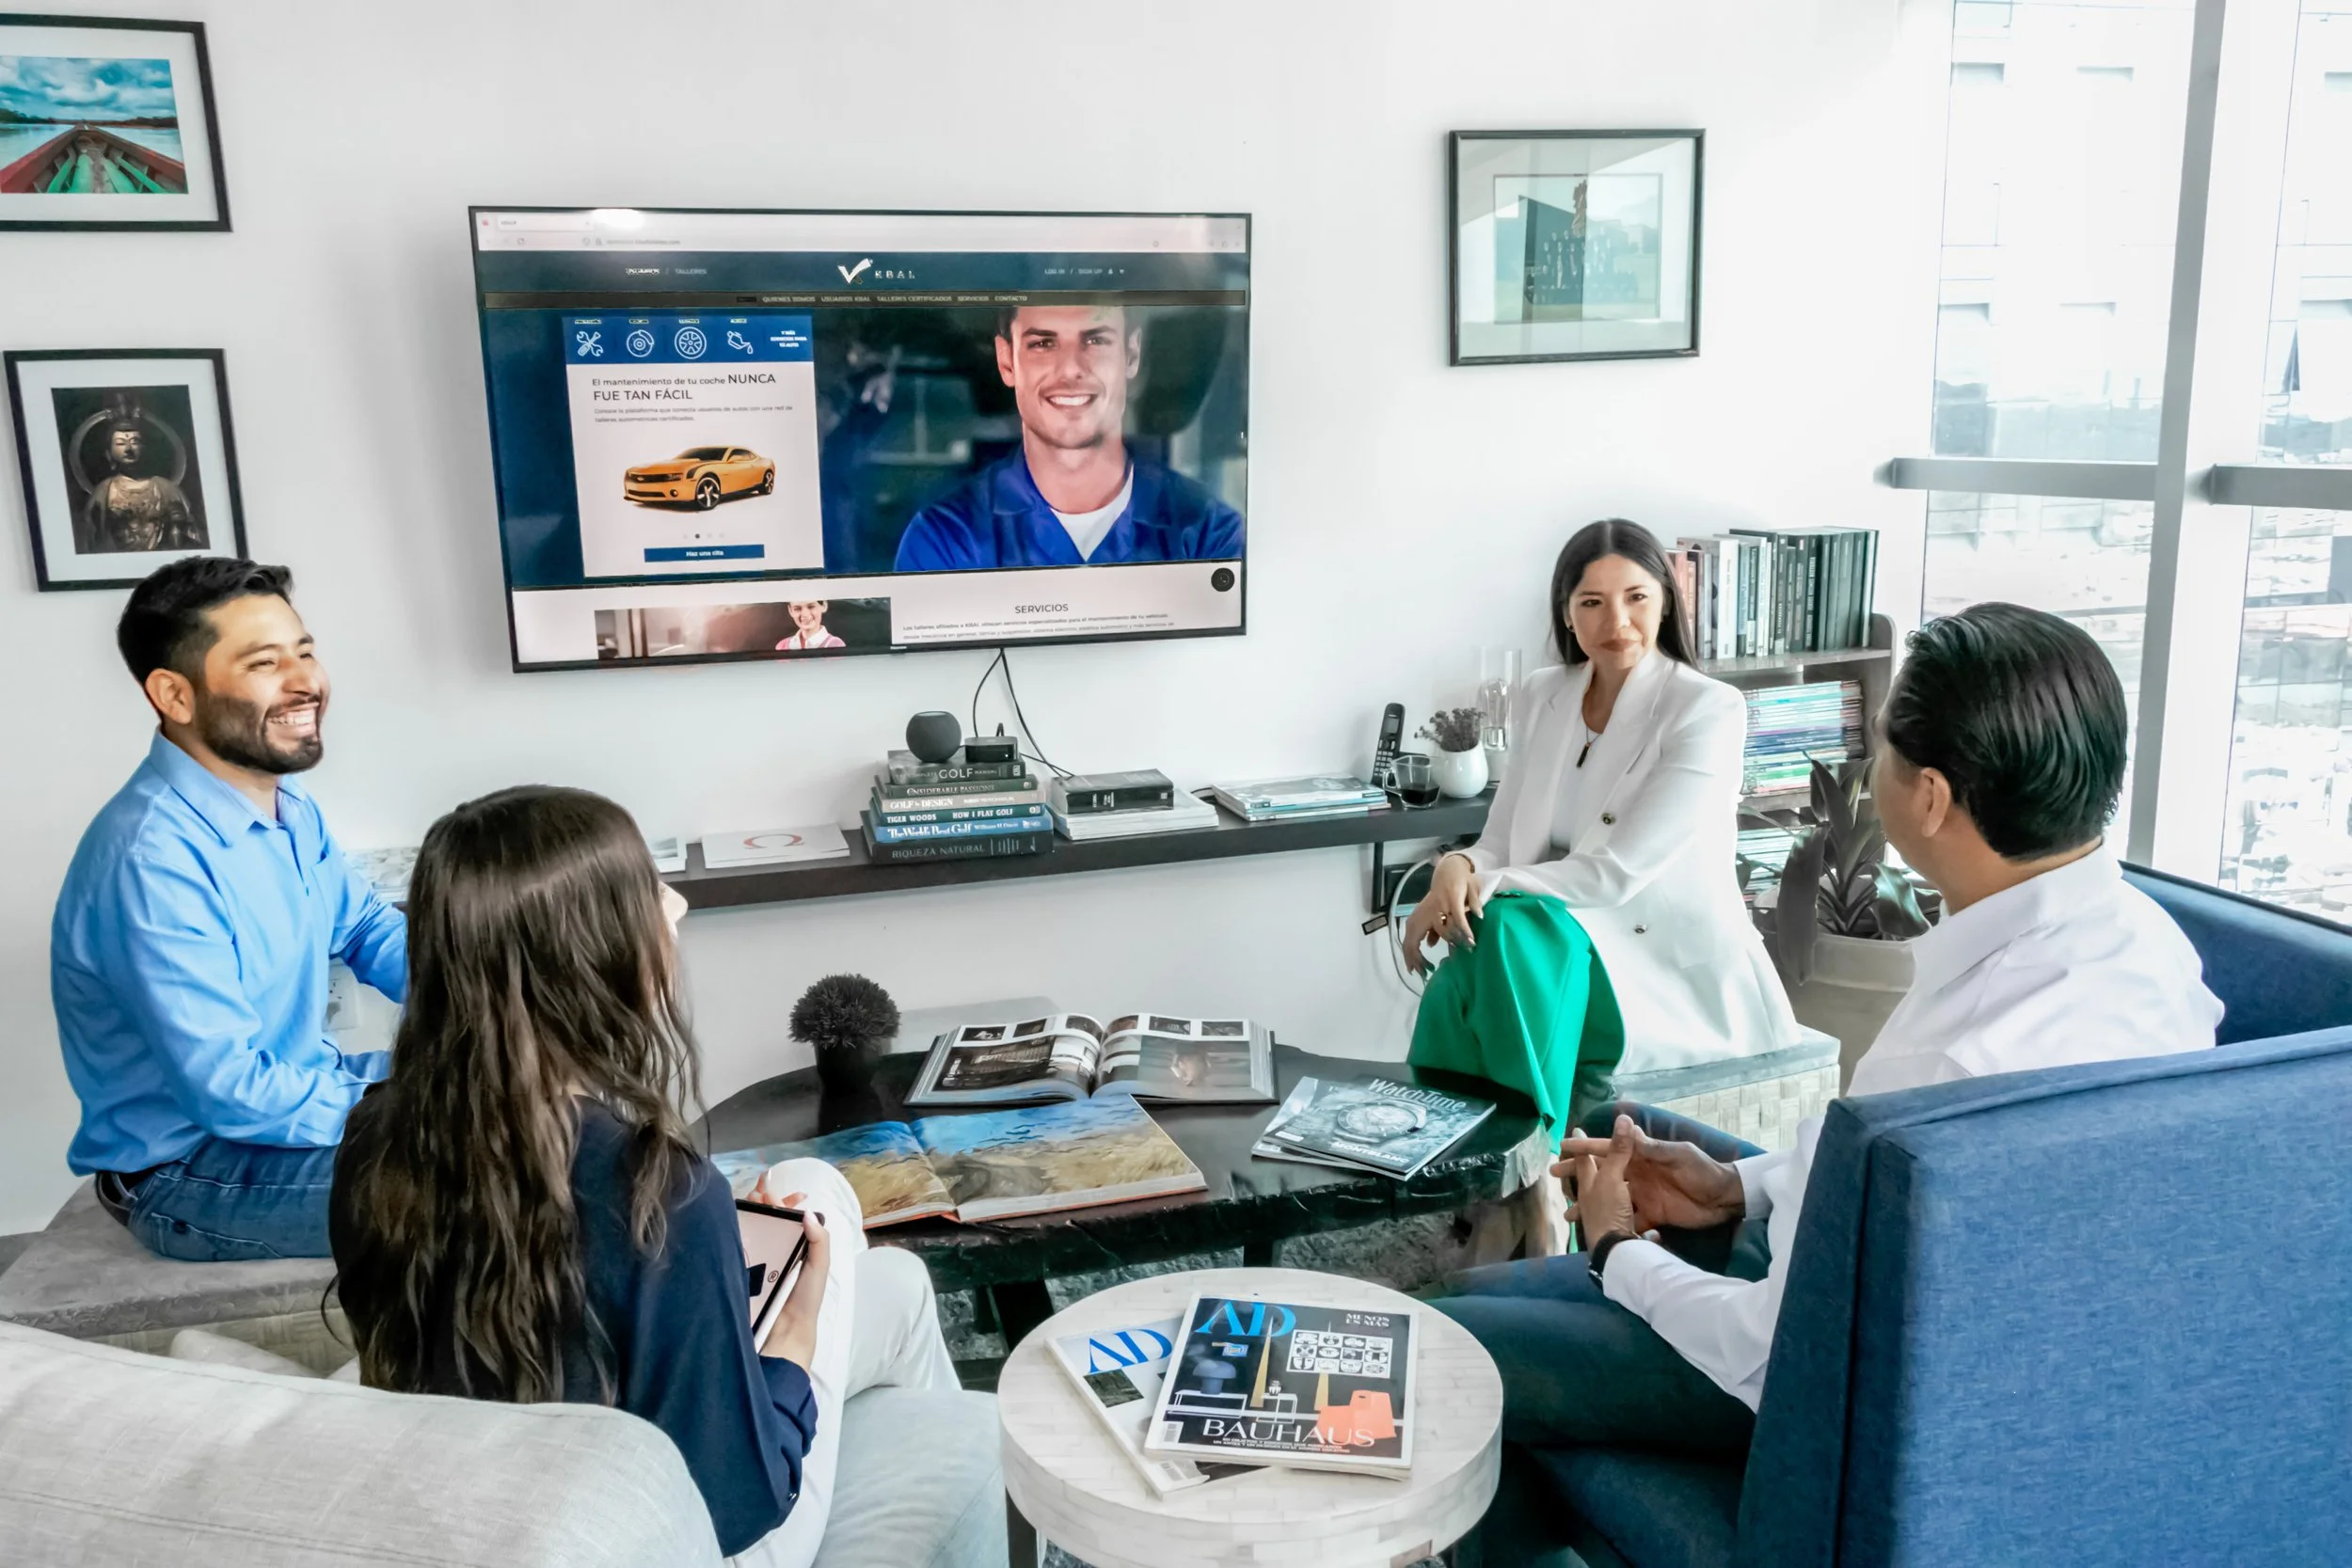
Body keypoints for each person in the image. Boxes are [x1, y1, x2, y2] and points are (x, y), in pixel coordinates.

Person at [1426, 603, 2223, 1503]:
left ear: (1929, 796)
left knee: (1442, 1343)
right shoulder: (2149, 948)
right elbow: (1872, 1190)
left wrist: (1613, 1246)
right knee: (1564, 1202)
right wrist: (1734, 1185)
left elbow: (1769, 1352)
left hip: (1808, 1386)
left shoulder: (1954, 1076)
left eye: (1881, 748)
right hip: (1899, 1304)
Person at [330, 785, 959, 1568]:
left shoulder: (374, 1139)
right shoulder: (654, 1192)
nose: (678, 904)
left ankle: (954, 1485)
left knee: (897, 1286)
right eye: (648, 889)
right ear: (587, 951)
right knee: (821, 1195)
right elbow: (730, 1503)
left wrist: (714, 1266)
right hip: (671, 1540)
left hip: (484, 1511)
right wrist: (790, 1336)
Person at [51, 557, 405, 1261]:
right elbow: (232, 1090)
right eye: (266, 663)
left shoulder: (288, 806)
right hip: (186, 1172)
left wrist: (493, 1003)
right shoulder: (152, 861)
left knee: (559, 1125)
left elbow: (367, 929)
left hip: (280, 1113)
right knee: (507, 1188)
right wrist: (414, 1096)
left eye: (305, 652)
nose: (306, 680)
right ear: (174, 696)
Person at [1400, 519, 1799, 1130]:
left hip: (1659, 968)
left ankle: (1530, 1164)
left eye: (1637, 597)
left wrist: (1486, 886)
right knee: (1479, 951)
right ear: (1566, 613)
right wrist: (1453, 869)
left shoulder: (1708, 709)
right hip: (1552, 946)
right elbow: (1503, 842)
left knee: (1499, 929)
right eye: (1593, 602)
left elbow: (1617, 875)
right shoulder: (1543, 693)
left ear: (1666, 600)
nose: (1617, 623)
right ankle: (1445, 1161)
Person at [892, 303, 1244, 570]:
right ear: (1007, 362)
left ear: (1131, 355)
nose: (1072, 368)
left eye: (1095, 339)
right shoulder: (946, 539)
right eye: (1044, 343)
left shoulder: (1209, 533)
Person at [77, 399, 203, 555]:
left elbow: (191, 534)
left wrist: (178, 526)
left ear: (145, 448)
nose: (129, 449)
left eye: (135, 442)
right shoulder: (103, 491)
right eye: (120, 443)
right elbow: (91, 537)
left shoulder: (166, 488)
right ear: (109, 453)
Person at [775, 599, 845, 651]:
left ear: (824, 606)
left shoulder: (835, 644)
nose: (805, 614)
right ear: (790, 611)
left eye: (811, 607)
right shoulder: (782, 646)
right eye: (797, 609)